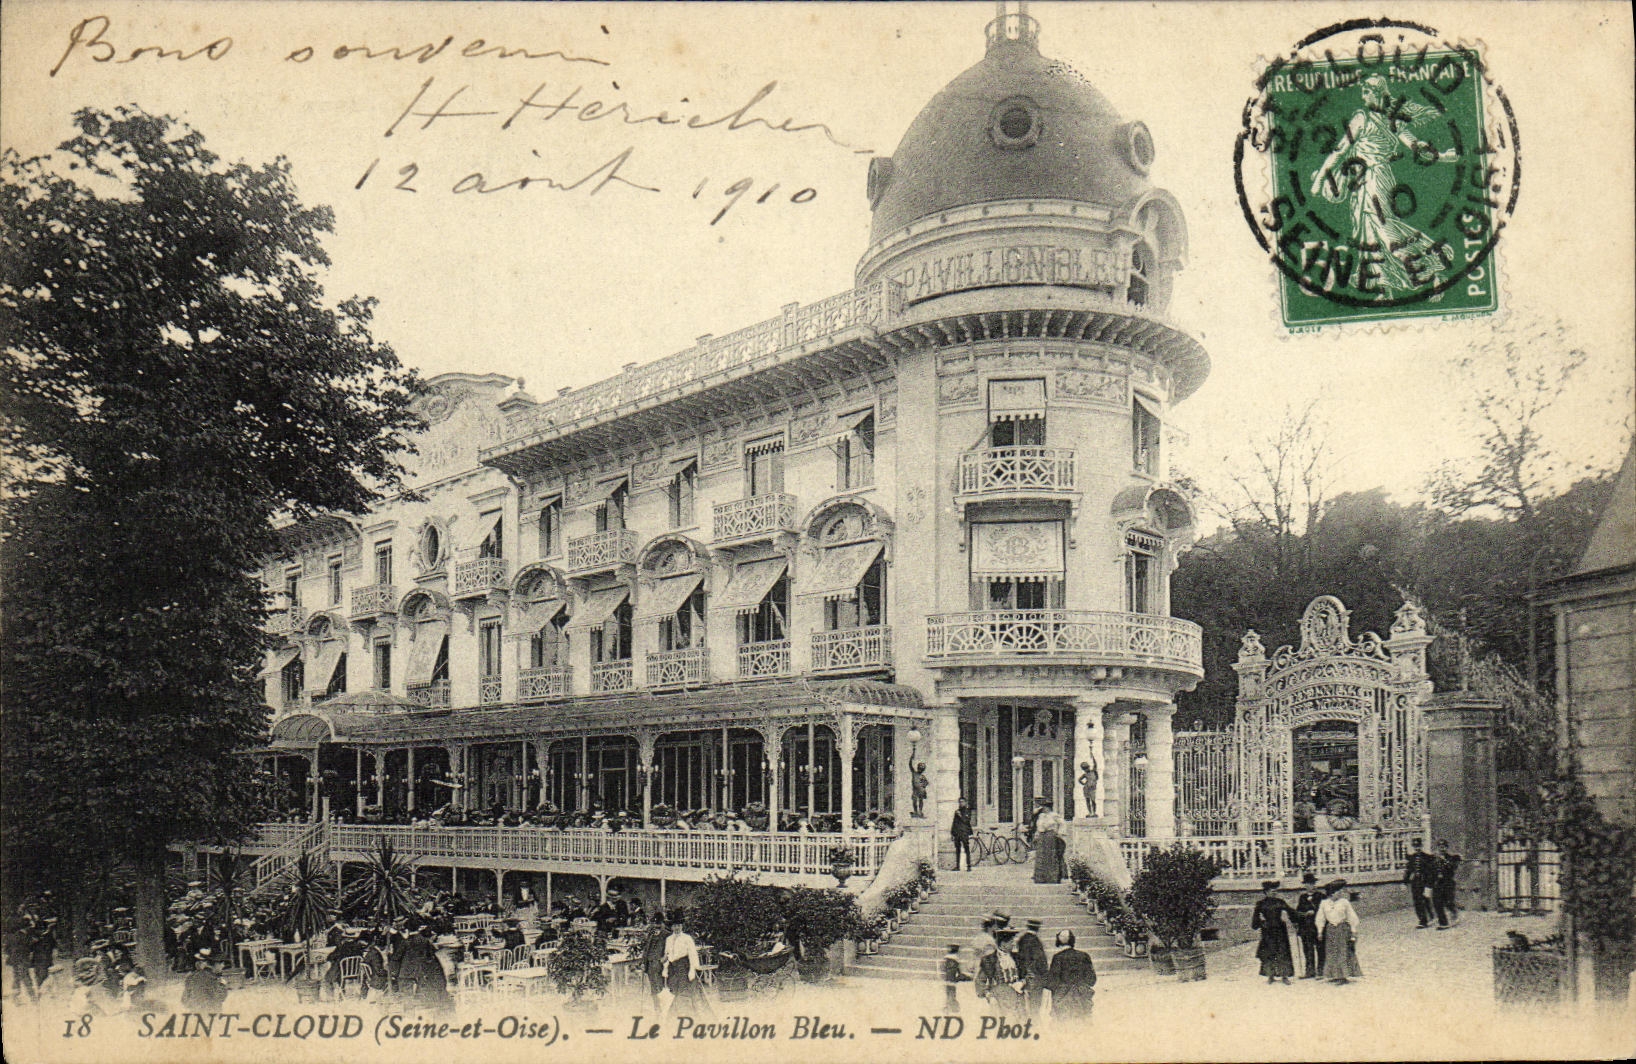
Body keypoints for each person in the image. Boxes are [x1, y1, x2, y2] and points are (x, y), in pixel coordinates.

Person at [391, 924, 452, 1011]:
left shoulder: (404, 942)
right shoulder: (425, 941)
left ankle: (408, 1014)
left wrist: (394, 973)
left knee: (407, 997)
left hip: (405, 974)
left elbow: (396, 958)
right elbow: (431, 957)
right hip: (421, 973)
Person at [662, 914, 710, 1019]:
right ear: (671, 927)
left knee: (685, 992)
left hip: (684, 966)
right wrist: (664, 966)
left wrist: (692, 970)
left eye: (679, 925)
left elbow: (693, 954)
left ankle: (691, 1015)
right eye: (674, 926)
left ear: (682, 926)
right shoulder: (669, 939)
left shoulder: (687, 938)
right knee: (674, 991)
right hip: (672, 968)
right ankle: (675, 1016)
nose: (677, 928)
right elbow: (667, 954)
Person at [1315, 880, 1362, 984]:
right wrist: (1320, 931)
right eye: (1338, 892)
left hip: (1343, 929)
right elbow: (1320, 918)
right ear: (1332, 893)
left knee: (1343, 951)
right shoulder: (1324, 903)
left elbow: (1352, 917)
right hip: (1331, 930)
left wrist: (1353, 930)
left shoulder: (1344, 902)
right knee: (1332, 952)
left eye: (1340, 891)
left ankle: (1343, 976)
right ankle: (1335, 975)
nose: (1340, 893)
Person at [1044, 929, 1097, 1022]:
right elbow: (1092, 979)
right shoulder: (1084, 955)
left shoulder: (1057, 957)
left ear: (1058, 941)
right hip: (1082, 998)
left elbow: (1052, 982)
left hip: (1063, 1000)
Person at [1250, 880, 1295, 984]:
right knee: (1269, 953)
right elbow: (1255, 921)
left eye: (1275, 891)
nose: (1274, 892)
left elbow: (1291, 912)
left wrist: (1298, 919)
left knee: (1283, 952)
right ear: (1266, 892)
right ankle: (1270, 975)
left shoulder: (1280, 902)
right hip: (1267, 932)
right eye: (1271, 891)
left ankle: (1285, 976)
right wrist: (1261, 923)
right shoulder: (1260, 904)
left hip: (1280, 930)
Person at [1015, 918, 1050, 1017]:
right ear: (1037, 928)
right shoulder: (1035, 941)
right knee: (1035, 1004)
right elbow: (1040, 961)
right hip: (1035, 976)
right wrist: (1045, 975)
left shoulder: (1022, 939)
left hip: (1024, 975)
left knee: (1025, 1003)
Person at [1293, 872, 1325, 978]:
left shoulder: (1321, 896)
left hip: (1317, 927)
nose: (1310, 886)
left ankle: (1321, 970)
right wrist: (1299, 919)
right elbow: (1298, 911)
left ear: (1315, 884)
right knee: (1307, 949)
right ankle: (1309, 971)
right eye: (1307, 884)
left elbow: (1325, 911)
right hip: (1306, 928)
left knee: (1320, 949)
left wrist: (1314, 912)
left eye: (1312, 884)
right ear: (1305, 885)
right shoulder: (1302, 897)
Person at [1404, 838, 1438, 928]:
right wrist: (1405, 882)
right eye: (1415, 846)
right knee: (1417, 901)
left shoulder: (1427, 857)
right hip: (1416, 882)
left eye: (1418, 846)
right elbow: (1408, 871)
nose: (1417, 848)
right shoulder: (1412, 857)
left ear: (1421, 846)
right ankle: (1422, 920)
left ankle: (1430, 916)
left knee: (1425, 900)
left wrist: (1429, 884)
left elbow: (1431, 872)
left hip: (1425, 881)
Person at [1433, 840, 1463, 928]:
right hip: (1438, 883)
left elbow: (1452, 868)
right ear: (1437, 848)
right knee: (1437, 903)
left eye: (1443, 847)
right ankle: (1443, 923)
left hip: (1448, 883)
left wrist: (1445, 860)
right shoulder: (1434, 858)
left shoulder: (1451, 858)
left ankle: (1454, 913)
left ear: (1446, 848)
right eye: (1440, 847)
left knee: (1448, 902)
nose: (1441, 849)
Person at [1033, 802, 1064, 884]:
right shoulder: (1041, 816)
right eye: (1043, 807)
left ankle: (1052, 878)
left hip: (1050, 836)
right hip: (1042, 836)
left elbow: (1062, 824)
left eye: (1045, 807)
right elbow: (1038, 826)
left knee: (1050, 856)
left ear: (1049, 808)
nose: (1044, 809)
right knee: (1041, 856)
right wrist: (1037, 835)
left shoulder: (1054, 815)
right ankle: (1041, 878)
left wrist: (1059, 833)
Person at [940, 944, 970, 1014]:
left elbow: (943, 970)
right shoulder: (955, 962)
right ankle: (951, 1008)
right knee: (952, 994)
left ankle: (948, 1007)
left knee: (949, 994)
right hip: (952, 981)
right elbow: (959, 973)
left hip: (947, 980)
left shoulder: (946, 960)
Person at [951, 799, 974, 872]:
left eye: (962, 802)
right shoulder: (957, 811)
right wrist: (952, 833)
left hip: (964, 833)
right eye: (960, 802)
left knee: (966, 849)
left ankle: (969, 866)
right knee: (957, 849)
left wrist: (960, 815)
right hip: (957, 833)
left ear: (965, 802)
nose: (961, 803)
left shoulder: (967, 811)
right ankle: (958, 866)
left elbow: (966, 821)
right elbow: (954, 823)